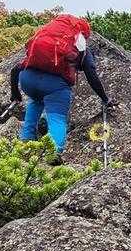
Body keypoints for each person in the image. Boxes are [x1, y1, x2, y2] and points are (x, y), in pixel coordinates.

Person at [9, 14, 109, 154]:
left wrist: (15, 93)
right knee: (57, 119)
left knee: (36, 100)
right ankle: (54, 152)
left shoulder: (43, 40)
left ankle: (25, 144)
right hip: (55, 87)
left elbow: (15, 69)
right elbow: (91, 74)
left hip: (27, 80)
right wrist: (105, 99)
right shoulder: (80, 48)